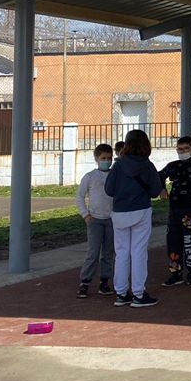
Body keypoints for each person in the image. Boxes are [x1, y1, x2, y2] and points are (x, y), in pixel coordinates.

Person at [104, 129, 164, 308]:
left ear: (127, 144)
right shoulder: (147, 165)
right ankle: (138, 294)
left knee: (121, 253)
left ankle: (121, 294)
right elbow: (155, 191)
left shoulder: (118, 165)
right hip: (141, 211)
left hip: (119, 212)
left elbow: (109, 190)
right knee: (138, 252)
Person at [160, 136, 191, 287]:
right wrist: (162, 189)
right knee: (173, 242)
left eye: (186, 149)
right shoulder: (173, 165)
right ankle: (175, 273)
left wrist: (172, 173)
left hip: (190, 210)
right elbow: (160, 175)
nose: (183, 152)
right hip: (175, 210)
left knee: (189, 242)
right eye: (180, 149)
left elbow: (185, 170)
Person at [75, 143, 115, 299]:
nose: (107, 161)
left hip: (111, 219)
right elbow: (79, 196)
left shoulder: (115, 175)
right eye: (103, 158)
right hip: (95, 220)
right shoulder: (90, 177)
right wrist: (85, 214)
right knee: (93, 252)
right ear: (97, 159)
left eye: (109, 158)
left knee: (108, 252)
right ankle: (84, 282)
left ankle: (104, 281)